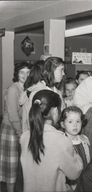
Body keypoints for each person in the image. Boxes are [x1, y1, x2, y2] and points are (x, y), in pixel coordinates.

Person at [20, 90, 83, 192]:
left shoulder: (24, 137)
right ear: (54, 111)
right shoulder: (61, 140)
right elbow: (74, 172)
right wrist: (74, 151)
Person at [0, 62, 30, 192]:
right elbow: (12, 115)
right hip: (11, 129)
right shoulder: (14, 89)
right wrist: (20, 133)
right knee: (10, 165)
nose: (25, 75)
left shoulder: (27, 88)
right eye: (22, 72)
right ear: (16, 74)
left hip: (22, 129)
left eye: (28, 72)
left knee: (21, 165)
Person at [59, 106, 90, 190]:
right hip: (70, 183)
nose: (75, 125)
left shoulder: (84, 140)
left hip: (85, 180)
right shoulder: (62, 143)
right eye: (70, 122)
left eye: (78, 121)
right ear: (62, 124)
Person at [19, 60, 48, 132]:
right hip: (36, 125)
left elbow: (20, 102)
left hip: (27, 124)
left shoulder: (29, 87)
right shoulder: (42, 87)